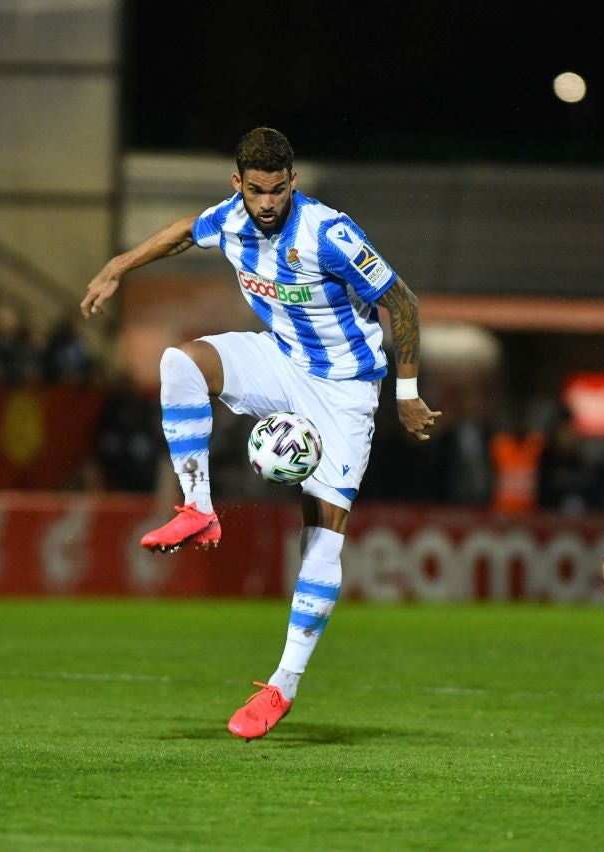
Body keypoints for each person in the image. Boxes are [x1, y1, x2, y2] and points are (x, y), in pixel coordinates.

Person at [81, 127, 439, 740]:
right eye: (256, 191)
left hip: (346, 390)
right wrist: (119, 265)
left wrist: (405, 395)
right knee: (179, 364)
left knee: (323, 539)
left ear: (293, 183)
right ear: (237, 185)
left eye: (277, 191)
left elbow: (402, 302)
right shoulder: (232, 219)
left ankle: (283, 685)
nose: (267, 203)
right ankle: (197, 508)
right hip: (282, 360)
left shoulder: (329, 233)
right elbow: (180, 234)